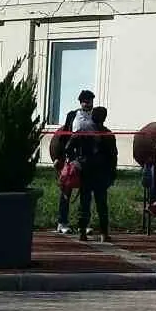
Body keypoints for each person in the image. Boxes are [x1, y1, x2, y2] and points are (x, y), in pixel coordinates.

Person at [51, 89, 96, 234]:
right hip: (72, 158)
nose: (87, 103)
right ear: (80, 102)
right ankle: (62, 222)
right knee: (66, 190)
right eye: (85, 100)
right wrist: (60, 157)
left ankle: (84, 222)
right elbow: (63, 137)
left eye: (89, 100)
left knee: (86, 193)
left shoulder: (95, 117)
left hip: (88, 159)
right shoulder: (72, 115)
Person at [70, 106, 117, 241]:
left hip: (86, 170)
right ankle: (103, 233)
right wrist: (112, 173)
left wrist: (75, 161)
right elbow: (113, 156)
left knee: (84, 202)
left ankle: (82, 232)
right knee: (101, 204)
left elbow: (68, 147)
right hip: (101, 172)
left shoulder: (82, 131)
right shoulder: (108, 134)